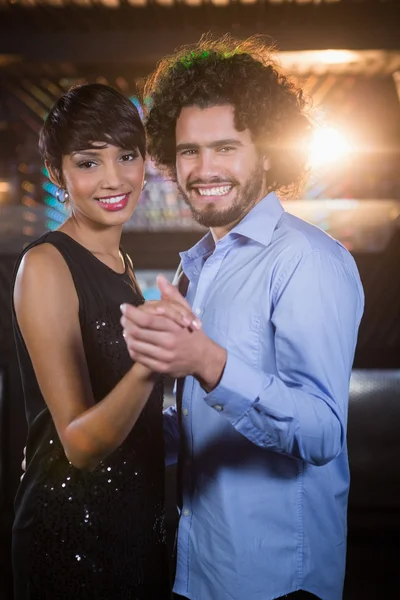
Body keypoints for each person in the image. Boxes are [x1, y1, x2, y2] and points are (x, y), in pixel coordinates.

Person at [120, 35, 365, 600]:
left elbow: (324, 431)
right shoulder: (199, 265)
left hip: (275, 582)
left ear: (269, 153)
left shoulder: (308, 259)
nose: (204, 169)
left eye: (226, 147)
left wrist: (209, 363)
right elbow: (201, 427)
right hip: (199, 569)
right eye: (188, 151)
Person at [11, 83, 175, 599]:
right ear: (58, 174)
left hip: (135, 523)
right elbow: (79, 445)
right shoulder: (45, 265)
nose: (113, 179)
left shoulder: (121, 266)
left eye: (126, 156)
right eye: (88, 162)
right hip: (72, 533)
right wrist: (152, 359)